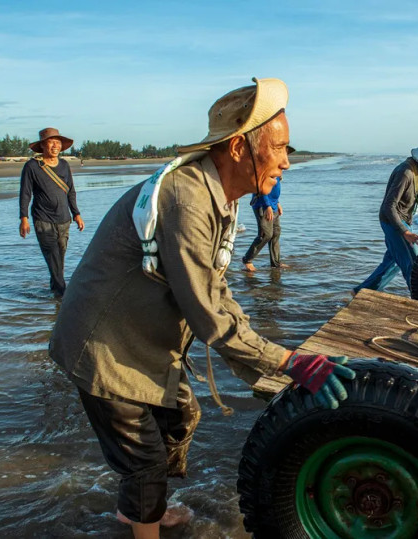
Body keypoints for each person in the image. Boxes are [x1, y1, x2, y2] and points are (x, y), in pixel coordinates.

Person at [48, 78, 354, 539]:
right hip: (105, 346)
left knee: (181, 416)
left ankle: (143, 508)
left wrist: (271, 354)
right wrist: (287, 361)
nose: (287, 162)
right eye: (279, 149)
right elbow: (207, 313)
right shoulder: (187, 198)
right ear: (238, 147)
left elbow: (216, 288)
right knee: (144, 461)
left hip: (143, 337)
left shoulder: (221, 198)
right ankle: (143, 514)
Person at [353, 136, 418, 294]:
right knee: (413, 264)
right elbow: (389, 206)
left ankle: (362, 291)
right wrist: (405, 232)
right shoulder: (406, 172)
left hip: (406, 219)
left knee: (394, 261)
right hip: (391, 219)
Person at [19, 127, 85, 298]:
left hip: (64, 219)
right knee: (53, 255)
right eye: (51, 142)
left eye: (58, 142)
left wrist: (76, 214)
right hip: (43, 219)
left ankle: (56, 293)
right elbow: (25, 193)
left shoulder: (64, 165)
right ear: (43, 145)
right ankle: (63, 294)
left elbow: (70, 191)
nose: (55, 146)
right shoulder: (32, 166)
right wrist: (24, 218)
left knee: (59, 258)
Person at [242, 161, 291, 271]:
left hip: (273, 205)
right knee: (265, 234)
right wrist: (267, 206)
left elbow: (273, 190)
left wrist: (277, 203)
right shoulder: (266, 170)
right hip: (262, 205)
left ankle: (275, 263)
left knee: (276, 232)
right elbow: (262, 189)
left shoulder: (277, 171)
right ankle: (247, 259)